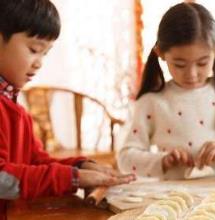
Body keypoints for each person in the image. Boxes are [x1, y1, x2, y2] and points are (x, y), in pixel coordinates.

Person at [0, 0, 135, 217]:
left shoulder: (16, 109)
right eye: (34, 49)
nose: (39, 62)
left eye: (45, 53)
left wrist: (80, 166)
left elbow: (36, 162)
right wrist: (73, 178)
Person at [117, 2, 215, 180]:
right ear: (160, 53)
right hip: (173, 199)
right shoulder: (151, 102)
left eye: (202, 63)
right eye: (179, 64)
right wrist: (163, 161)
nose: (192, 74)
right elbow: (125, 159)